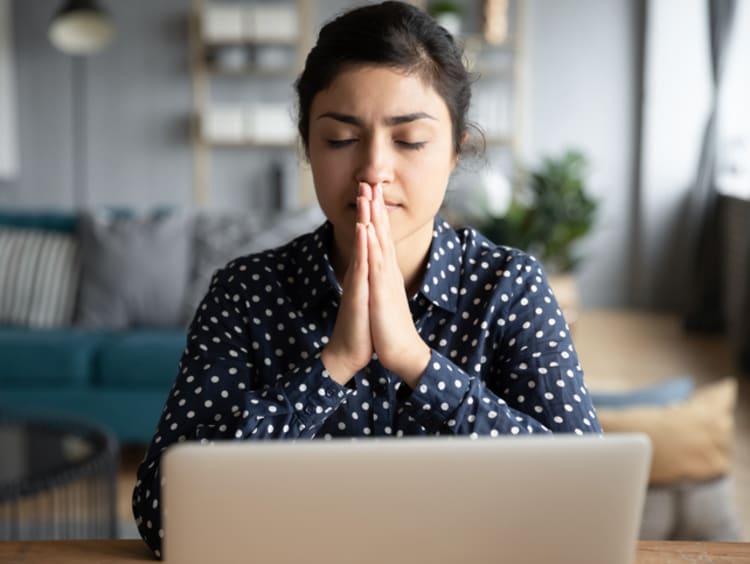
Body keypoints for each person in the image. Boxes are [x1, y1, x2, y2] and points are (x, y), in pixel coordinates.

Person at [133, 1, 602, 557]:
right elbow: (165, 516)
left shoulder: (511, 287)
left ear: (455, 152)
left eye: (409, 141)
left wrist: (417, 362)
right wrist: (333, 365)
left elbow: (584, 503)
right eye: (340, 139)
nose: (374, 168)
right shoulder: (246, 292)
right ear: (308, 146)